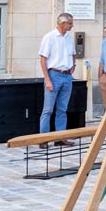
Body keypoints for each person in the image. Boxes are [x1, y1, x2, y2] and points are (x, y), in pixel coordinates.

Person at [39, 13, 78, 148]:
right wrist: (47, 79)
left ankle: (60, 137)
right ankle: (43, 139)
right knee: (48, 109)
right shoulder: (49, 37)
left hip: (67, 76)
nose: (72, 26)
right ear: (63, 23)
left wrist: (73, 65)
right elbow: (43, 59)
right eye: (70, 23)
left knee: (62, 109)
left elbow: (73, 54)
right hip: (54, 75)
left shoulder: (69, 37)